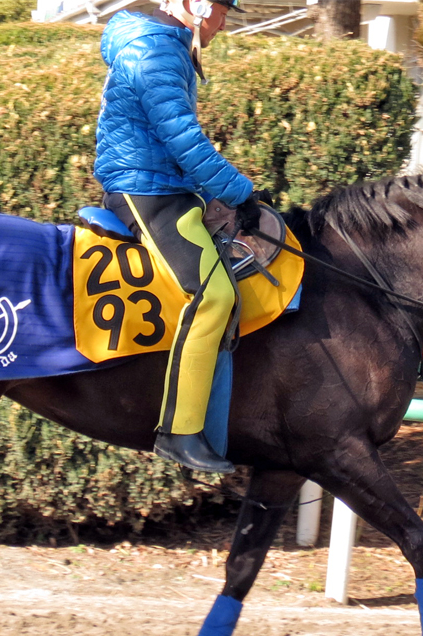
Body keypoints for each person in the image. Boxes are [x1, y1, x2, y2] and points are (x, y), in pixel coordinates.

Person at [94, 0, 265, 474]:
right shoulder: (154, 49)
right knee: (212, 296)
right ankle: (179, 433)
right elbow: (182, 137)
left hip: (165, 187)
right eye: (220, 9)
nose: (224, 21)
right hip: (144, 189)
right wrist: (238, 191)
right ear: (192, 6)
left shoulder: (164, 42)